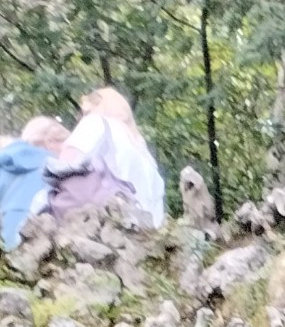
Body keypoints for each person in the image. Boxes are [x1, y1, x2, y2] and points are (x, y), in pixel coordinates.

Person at [46, 88, 165, 227]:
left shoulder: (96, 123)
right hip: (145, 237)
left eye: (85, 112)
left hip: (107, 228)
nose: (80, 118)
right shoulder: (147, 157)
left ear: (96, 105)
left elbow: (64, 165)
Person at [0, 117, 67, 248]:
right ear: (51, 141)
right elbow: (22, 210)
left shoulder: (4, 160)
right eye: (66, 143)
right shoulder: (50, 168)